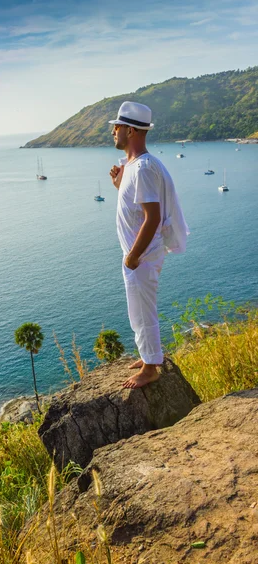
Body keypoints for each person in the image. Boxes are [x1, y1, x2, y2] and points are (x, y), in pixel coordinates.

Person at [109, 101, 189, 388]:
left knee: (144, 310)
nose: (113, 132)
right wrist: (120, 186)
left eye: (117, 127)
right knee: (138, 311)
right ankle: (147, 357)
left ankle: (151, 367)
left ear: (130, 130)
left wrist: (132, 257)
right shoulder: (134, 166)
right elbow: (136, 206)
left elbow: (152, 217)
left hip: (141, 255)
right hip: (139, 254)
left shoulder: (142, 168)